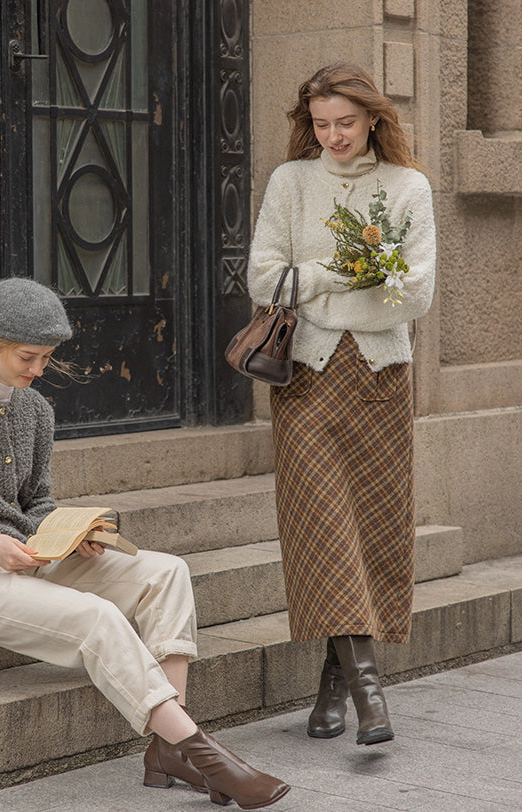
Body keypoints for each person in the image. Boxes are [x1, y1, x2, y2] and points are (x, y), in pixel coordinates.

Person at [0, 277, 290, 809]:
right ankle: (202, 753)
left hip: (36, 558)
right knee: (98, 617)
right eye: (29, 357)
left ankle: (168, 748)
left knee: (167, 572)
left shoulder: (35, 411)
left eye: (46, 358)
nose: (39, 370)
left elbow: (36, 502)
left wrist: (75, 532)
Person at [247, 63, 436, 746]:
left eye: (345, 124)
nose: (332, 136)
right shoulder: (290, 181)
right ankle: (368, 693)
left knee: (374, 531)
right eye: (321, 124)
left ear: (372, 120)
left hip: (383, 378)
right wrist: (350, 271)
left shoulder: (407, 187)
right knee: (322, 530)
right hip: (305, 380)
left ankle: (331, 684)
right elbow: (264, 277)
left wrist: (330, 284)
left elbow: (413, 297)